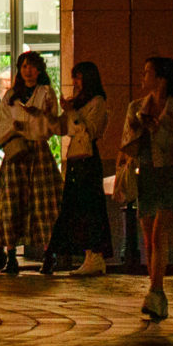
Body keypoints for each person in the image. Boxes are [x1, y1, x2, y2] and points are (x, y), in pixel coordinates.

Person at [125, 56, 173, 322]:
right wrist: (138, 128)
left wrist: (159, 130)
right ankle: (156, 292)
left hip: (169, 175)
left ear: (161, 78)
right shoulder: (135, 108)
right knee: (148, 237)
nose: (143, 77)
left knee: (158, 234)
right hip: (146, 175)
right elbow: (126, 142)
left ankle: (156, 291)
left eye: (147, 72)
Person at [0, 52, 60, 276]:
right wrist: (13, 129)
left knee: (43, 204)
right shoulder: (10, 96)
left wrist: (39, 119)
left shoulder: (46, 93)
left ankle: (48, 254)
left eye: (33, 67)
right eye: (24, 66)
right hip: (16, 152)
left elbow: (52, 125)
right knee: (12, 203)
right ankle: (11, 255)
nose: (28, 71)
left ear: (40, 70)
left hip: (37, 151)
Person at [52, 61, 111, 277]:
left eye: (78, 77)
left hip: (87, 158)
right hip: (75, 158)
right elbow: (64, 128)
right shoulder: (78, 101)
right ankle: (87, 254)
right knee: (77, 207)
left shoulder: (97, 101)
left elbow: (90, 131)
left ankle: (95, 255)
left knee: (90, 206)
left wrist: (73, 112)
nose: (75, 82)